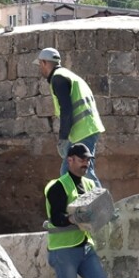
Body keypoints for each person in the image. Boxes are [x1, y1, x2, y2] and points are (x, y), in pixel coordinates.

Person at [45, 143, 134, 278]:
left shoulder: (89, 185)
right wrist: (73, 218)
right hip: (63, 249)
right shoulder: (57, 186)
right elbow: (56, 218)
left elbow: (98, 211)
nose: (87, 163)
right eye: (82, 159)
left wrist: (108, 214)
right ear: (70, 160)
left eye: (88, 160)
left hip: (85, 246)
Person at [38, 47, 103, 185]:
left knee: (84, 172)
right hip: (86, 129)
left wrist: (63, 139)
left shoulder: (58, 79)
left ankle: (102, 206)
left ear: (44, 63)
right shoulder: (67, 75)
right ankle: (78, 205)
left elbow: (66, 110)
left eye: (40, 64)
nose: (40, 68)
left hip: (83, 131)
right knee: (67, 172)